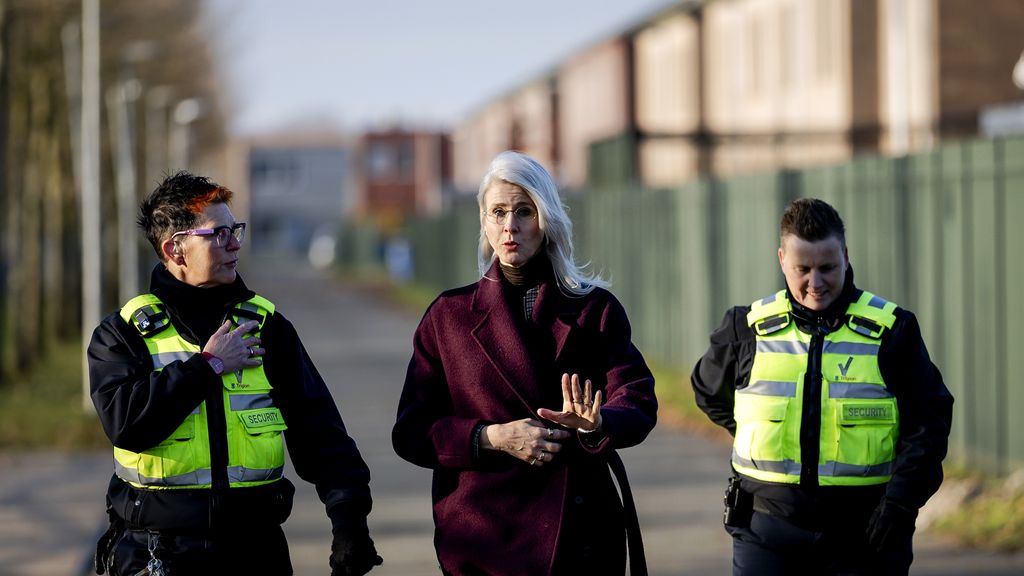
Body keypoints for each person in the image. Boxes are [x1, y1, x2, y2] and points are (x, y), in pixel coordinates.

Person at [88, 172, 383, 576]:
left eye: (235, 230)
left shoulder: (267, 326)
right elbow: (126, 423)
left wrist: (350, 522)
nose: (234, 244)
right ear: (176, 249)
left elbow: (321, 433)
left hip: (256, 550)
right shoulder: (122, 333)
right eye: (218, 233)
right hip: (156, 553)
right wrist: (209, 366)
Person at [392, 151, 658, 576]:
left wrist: (598, 423)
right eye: (498, 212)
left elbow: (638, 399)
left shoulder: (594, 310)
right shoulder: (448, 316)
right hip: (482, 540)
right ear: (483, 220)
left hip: (579, 536)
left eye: (523, 211)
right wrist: (491, 437)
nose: (510, 226)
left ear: (546, 218)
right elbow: (411, 432)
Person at [691, 197, 953, 575]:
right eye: (803, 269)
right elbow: (707, 392)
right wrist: (756, 430)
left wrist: (901, 503)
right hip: (765, 532)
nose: (815, 283)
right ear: (782, 259)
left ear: (845, 256)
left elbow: (929, 422)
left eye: (827, 267)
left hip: (866, 534)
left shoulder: (892, 330)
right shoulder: (744, 328)